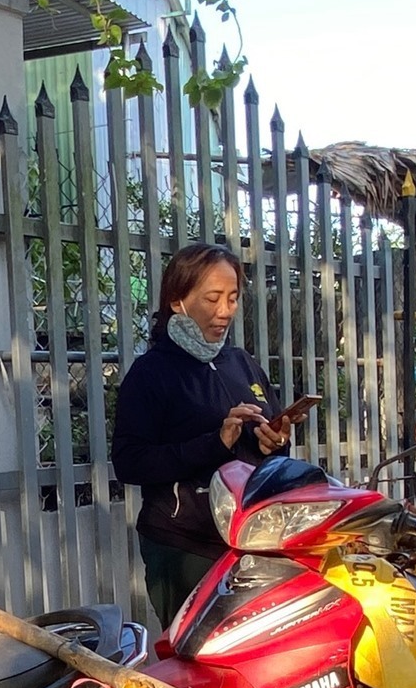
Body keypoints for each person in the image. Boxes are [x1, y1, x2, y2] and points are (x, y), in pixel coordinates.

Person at [112, 243, 304, 625]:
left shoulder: (240, 363)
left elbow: (268, 445)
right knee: (197, 669)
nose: (225, 311)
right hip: (185, 547)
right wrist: (215, 443)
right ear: (177, 301)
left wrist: (274, 441)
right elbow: (129, 462)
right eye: (212, 298)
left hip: (254, 542)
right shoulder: (151, 374)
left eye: (232, 298)